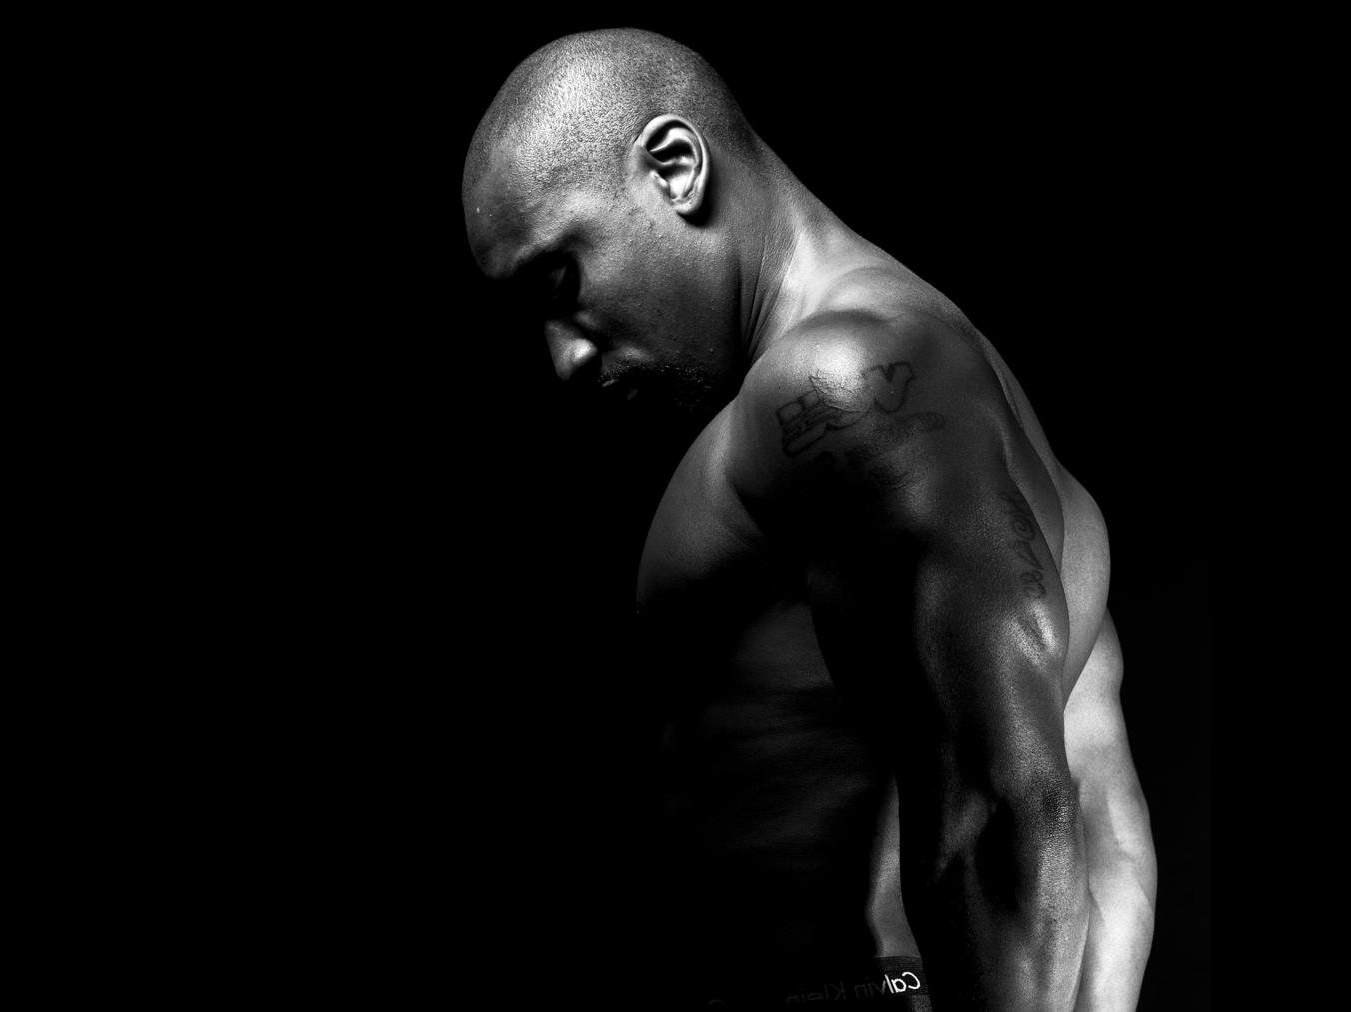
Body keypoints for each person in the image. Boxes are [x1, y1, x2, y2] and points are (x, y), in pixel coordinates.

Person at [460, 28, 1155, 1011]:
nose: (563, 358)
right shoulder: (1028, 471)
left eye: (560, 281)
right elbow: (1104, 839)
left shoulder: (848, 382)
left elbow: (1009, 812)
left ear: (673, 167)